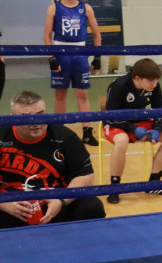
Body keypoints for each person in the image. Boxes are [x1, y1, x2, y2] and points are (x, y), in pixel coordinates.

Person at [0, 90, 105, 229]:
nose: (35, 123)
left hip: (54, 202)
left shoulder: (64, 135)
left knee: (92, 206)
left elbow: (86, 175)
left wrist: (62, 201)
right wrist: (3, 203)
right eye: (26, 118)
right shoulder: (2, 135)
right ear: (12, 118)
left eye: (40, 115)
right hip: (12, 206)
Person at [102, 58, 162, 204]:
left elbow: (159, 110)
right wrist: (132, 129)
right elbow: (110, 116)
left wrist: (157, 129)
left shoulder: (154, 86)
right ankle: (114, 187)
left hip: (139, 121)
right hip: (115, 122)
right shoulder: (119, 86)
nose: (155, 84)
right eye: (151, 81)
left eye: (156, 81)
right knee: (122, 140)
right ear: (138, 78)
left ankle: (153, 184)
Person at [44, 0, 101, 147]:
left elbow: (97, 34)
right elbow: (47, 35)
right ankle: (58, 132)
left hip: (80, 53)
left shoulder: (86, 8)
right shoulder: (53, 8)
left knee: (82, 94)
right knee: (60, 94)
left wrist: (97, 58)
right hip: (61, 53)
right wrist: (51, 58)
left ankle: (87, 132)